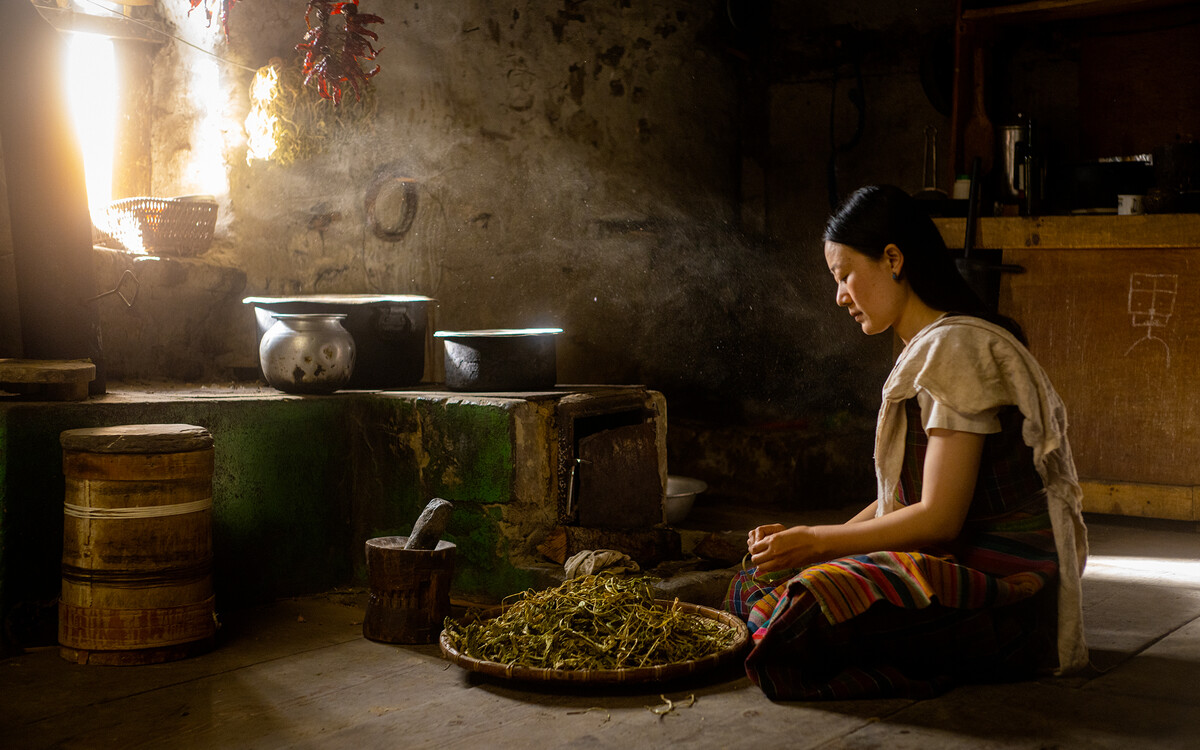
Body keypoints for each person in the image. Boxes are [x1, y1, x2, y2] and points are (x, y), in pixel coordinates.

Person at [723, 184, 1088, 700]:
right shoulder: (929, 346)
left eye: (845, 274)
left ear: (893, 258)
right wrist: (805, 549)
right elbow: (904, 498)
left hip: (1004, 597)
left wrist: (819, 543)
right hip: (945, 567)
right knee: (754, 588)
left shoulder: (955, 347)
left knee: (801, 613)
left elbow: (939, 518)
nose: (839, 295)